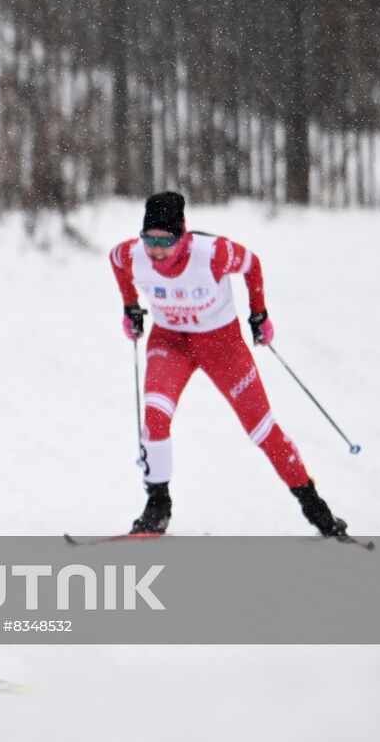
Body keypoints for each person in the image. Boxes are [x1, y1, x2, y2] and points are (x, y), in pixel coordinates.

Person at [111, 191, 349, 537]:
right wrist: (130, 307)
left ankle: (316, 508)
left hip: (221, 344)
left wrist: (259, 314)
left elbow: (252, 264)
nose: (157, 250)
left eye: (166, 241)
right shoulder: (131, 254)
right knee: (155, 418)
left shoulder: (213, 254)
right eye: (150, 240)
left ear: (183, 234)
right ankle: (157, 507)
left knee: (262, 429)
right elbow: (116, 263)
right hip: (170, 341)